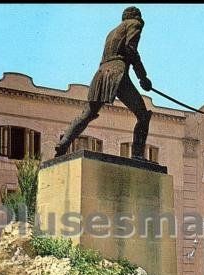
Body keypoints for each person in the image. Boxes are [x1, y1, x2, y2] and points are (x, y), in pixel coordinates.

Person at [54, 6, 153, 160]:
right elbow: (130, 49)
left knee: (88, 113)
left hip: (100, 74)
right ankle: (138, 155)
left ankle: (64, 142)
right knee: (143, 115)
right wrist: (143, 77)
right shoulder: (134, 24)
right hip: (117, 73)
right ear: (136, 17)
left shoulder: (112, 32)